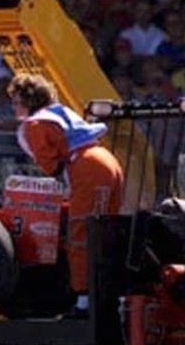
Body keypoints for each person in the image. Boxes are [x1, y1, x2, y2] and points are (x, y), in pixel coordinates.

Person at [9, 73, 123, 316]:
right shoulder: (58, 113)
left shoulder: (35, 124)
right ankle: (110, 295)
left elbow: (51, 165)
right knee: (108, 233)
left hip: (87, 169)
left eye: (16, 101)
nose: (13, 107)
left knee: (81, 234)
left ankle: (83, 302)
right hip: (105, 160)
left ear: (29, 101)